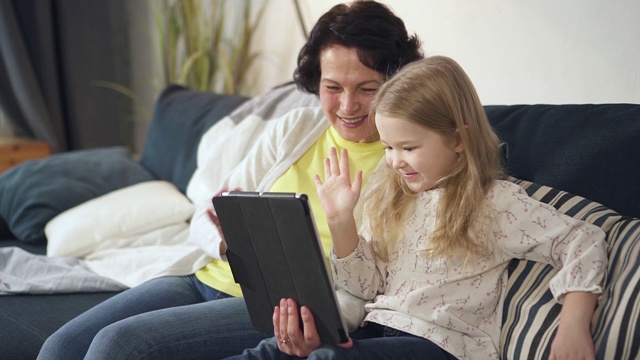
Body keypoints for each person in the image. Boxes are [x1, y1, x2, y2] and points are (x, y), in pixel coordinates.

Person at [37, 1, 423, 359]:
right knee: (60, 346)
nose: (346, 105)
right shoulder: (295, 129)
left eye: (367, 89)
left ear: (396, 82)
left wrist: (327, 323)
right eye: (332, 88)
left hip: (279, 307)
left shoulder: (407, 161)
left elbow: (376, 285)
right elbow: (212, 208)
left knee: (116, 345)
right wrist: (226, 240)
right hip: (203, 277)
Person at [228, 56, 608, 359]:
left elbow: (584, 239)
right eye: (388, 147)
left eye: (408, 148)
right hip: (374, 329)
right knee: (269, 352)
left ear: (459, 139)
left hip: (441, 345)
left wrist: (574, 322)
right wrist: (341, 220)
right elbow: (362, 288)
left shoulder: (493, 203)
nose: (394, 161)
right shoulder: (392, 197)